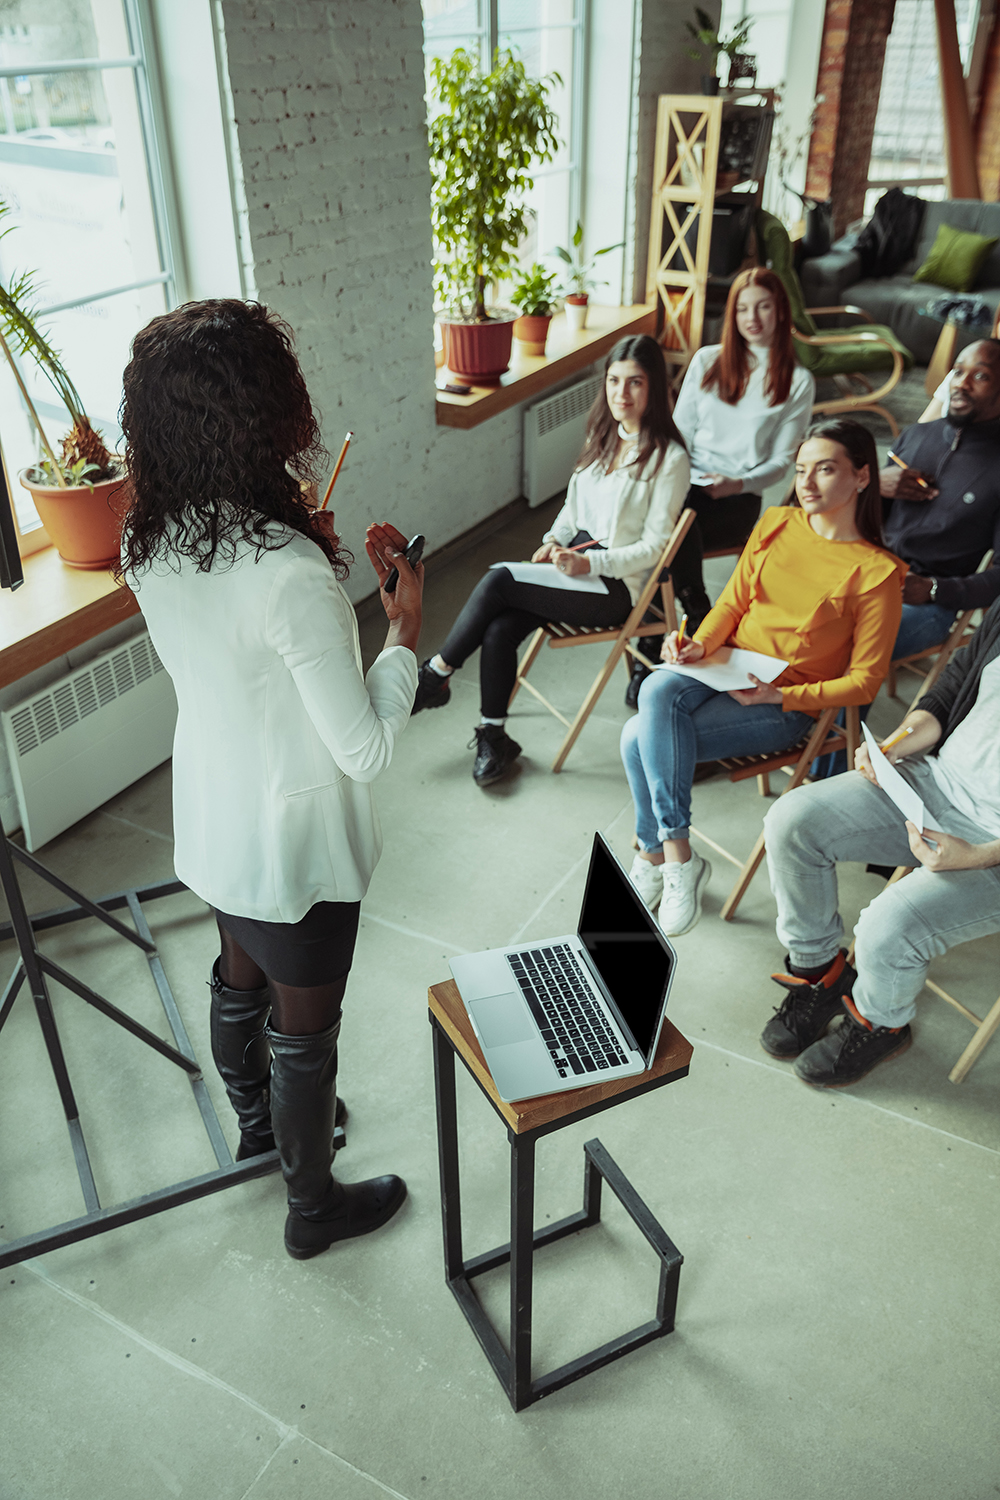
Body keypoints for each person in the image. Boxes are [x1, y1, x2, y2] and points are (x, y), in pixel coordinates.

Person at [118, 299, 422, 1261]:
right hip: (294, 841)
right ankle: (313, 1206)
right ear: (266, 415)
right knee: (307, 1032)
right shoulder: (289, 570)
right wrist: (401, 629)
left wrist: (305, 566)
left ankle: (257, 1125)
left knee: (236, 971)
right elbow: (365, 749)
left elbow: (239, 649)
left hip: (216, 815)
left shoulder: (151, 538)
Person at [622, 418, 907, 937]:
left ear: (863, 477)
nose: (808, 482)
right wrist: (698, 644)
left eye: (826, 469)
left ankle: (654, 851)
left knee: (634, 736)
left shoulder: (878, 572)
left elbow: (865, 681)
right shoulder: (777, 523)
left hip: (783, 706)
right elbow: (731, 604)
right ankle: (677, 853)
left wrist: (785, 693)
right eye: (801, 470)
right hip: (725, 667)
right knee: (657, 685)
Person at [409, 334, 690, 785]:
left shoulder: (669, 459)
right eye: (614, 381)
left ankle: (435, 674)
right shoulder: (602, 436)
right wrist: (552, 540)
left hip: (616, 587)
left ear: (654, 387)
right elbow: (571, 511)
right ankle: (494, 735)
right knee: (500, 627)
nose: (622, 394)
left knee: (500, 579)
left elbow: (656, 550)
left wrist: (590, 566)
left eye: (635, 383)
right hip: (575, 566)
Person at [759, 596, 1000, 1088]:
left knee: (889, 926)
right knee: (792, 820)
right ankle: (819, 975)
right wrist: (893, 746)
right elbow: (949, 692)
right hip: (937, 780)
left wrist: (978, 856)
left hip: (993, 846)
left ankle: (881, 1022)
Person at [662, 268, 815, 636]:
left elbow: (782, 463)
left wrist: (738, 482)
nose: (753, 318)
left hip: (737, 498)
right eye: (743, 309)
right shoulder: (706, 361)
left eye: (763, 307)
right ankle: (691, 615)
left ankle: (688, 620)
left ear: (780, 310)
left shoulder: (797, 381)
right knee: (664, 522)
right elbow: (678, 435)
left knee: (662, 532)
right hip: (686, 484)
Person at [880, 338, 1000, 664]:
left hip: (928, 606)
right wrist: (875, 486)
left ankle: (834, 715)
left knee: (849, 649)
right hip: (869, 574)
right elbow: (861, 520)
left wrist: (935, 590)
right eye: (958, 371)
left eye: (980, 376)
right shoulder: (917, 435)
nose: (960, 383)